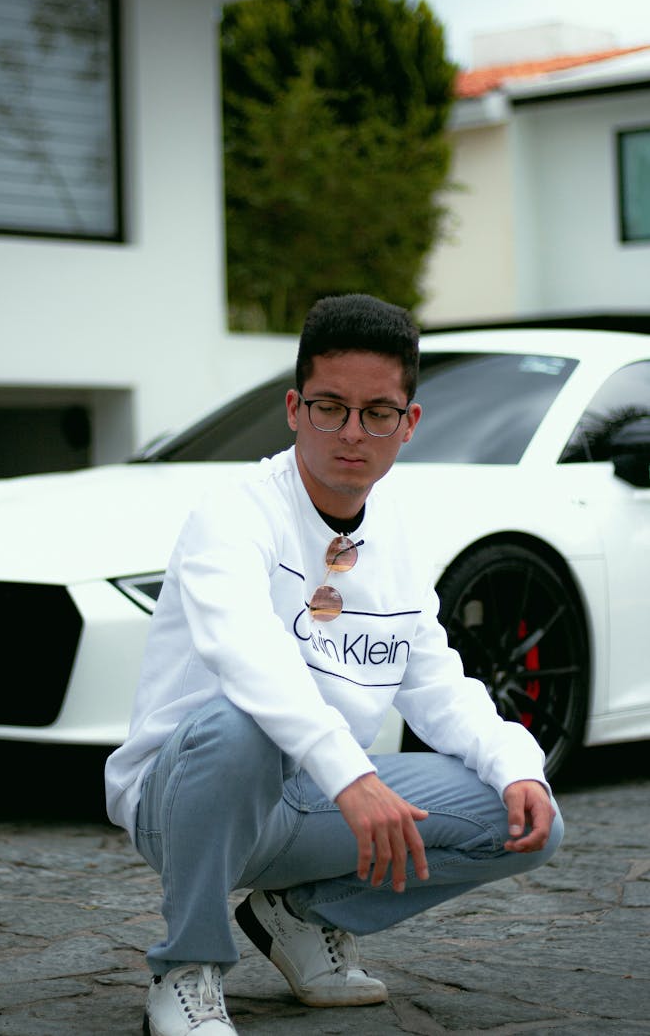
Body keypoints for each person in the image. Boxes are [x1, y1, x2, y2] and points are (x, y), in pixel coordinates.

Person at [105, 293, 563, 1036]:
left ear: (408, 423)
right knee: (240, 726)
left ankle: (296, 915)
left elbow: (437, 681)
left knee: (524, 817)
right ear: (294, 407)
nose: (352, 433)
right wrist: (351, 773)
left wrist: (518, 765)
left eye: (377, 412)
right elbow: (246, 655)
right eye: (329, 407)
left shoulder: (402, 535)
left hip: (311, 799)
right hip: (188, 798)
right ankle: (186, 969)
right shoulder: (233, 510)